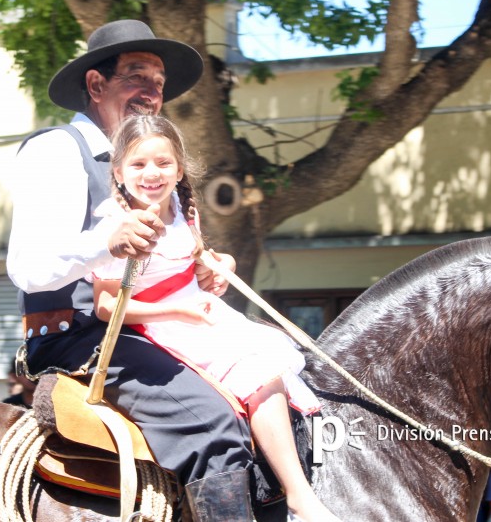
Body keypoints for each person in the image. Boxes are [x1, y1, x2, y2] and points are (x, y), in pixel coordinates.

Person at [6, 19, 257, 519]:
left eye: (159, 84)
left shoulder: (149, 161)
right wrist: (106, 242)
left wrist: (209, 269)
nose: (151, 93)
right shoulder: (58, 151)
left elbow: (176, 258)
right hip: (81, 335)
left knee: (271, 387)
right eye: (136, 77)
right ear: (96, 86)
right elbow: (28, 269)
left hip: (151, 329)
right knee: (213, 426)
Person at [90, 114, 340, 522]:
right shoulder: (117, 223)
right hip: (161, 324)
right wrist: (177, 310)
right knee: (256, 372)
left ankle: (295, 483)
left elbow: (193, 258)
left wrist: (220, 263)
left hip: (203, 313)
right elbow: (106, 307)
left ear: (180, 168)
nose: (152, 173)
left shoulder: (180, 205)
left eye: (163, 163)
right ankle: (298, 496)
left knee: (272, 362)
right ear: (118, 171)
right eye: (138, 165)